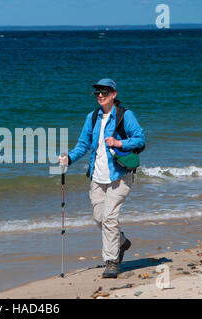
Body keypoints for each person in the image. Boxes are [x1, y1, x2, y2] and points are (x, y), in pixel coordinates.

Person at [59, 78, 145, 278]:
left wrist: (119, 143)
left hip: (121, 175)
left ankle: (111, 262)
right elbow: (83, 144)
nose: (100, 95)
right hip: (97, 177)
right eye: (97, 92)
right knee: (99, 217)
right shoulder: (92, 117)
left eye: (104, 92)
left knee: (109, 218)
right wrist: (69, 158)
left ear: (114, 94)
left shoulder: (126, 115)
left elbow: (140, 138)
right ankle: (121, 242)